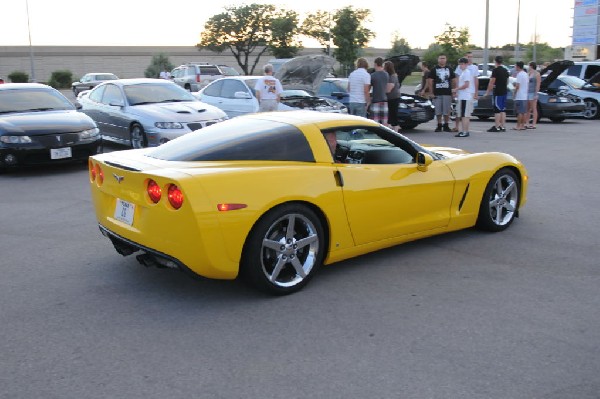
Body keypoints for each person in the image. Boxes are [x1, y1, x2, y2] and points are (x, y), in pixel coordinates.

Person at [426, 54, 456, 132]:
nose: (442, 60)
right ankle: (439, 125)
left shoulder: (449, 69)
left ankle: (446, 125)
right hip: (437, 93)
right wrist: (431, 92)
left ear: (446, 59)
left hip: (447, 93)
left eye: (444, 58)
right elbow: (430, 81)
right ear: (438, 59)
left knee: (447, 111)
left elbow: (453, 80)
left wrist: (453, 90)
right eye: (440, 58)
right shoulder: (434, 69)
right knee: (438, 110)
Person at [452, 51, 479, 132]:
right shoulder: (461, 70)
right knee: (461, 112)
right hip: (462, 94)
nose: (470, 58)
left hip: (467, 94)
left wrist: (476, 92)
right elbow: (457, 79)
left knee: (465, 114)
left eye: (471, 56)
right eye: (468, 56)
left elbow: (472, 81)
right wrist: (456, 90)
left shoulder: (472, 69)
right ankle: (459, 128)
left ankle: (465, 130)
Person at [483, 55, 510, 132]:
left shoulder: (495, 70)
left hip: (498, 92)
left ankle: (497, 126)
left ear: (495, 61)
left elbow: (492, 82)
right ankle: (502, 126)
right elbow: (507, 81)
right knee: (503, 109)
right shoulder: (505, 70)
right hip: (504, 91)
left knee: (497, 110)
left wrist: (487, 92)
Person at [452, 58, 474, 137]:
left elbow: (466, 85)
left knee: (465, 115)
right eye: (460, 64)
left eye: (462, 64)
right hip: (462, 97)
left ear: (466, 64)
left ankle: (465, 131)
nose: (460, 66)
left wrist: (456, 89)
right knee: (464, 115)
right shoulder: (463, 73)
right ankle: (464, 131)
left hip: (465, 97)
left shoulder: (467, 72)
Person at [370, 57, 392, 126]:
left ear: (376, 64)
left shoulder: (373, 75)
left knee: (375, 123)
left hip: (376, 101)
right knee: (385, 123)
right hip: (384, 100)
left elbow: (369, 88)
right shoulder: (386, 74)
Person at [384, 60, 402, 132]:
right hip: (392, 97)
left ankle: (396, 129)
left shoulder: (392, 76)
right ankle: (393, 127)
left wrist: (381, 90)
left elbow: (389, 89)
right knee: (391, 114)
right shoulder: (390, 76)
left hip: (393, 98)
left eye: (384, 66)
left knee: (393, 114)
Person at [513, 61, 529, 130]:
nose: (515, 67)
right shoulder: (526, 74)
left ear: (518, 67)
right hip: (525, 96)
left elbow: (517, 86)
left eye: (515, 66)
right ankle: (523, 125)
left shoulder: (519, 75)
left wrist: (514, 93)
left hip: (520, 96)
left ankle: (518, 126)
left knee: (519, 112)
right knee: (524, 112)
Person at [525, 61, 541, 129]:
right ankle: (527, 123)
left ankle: (534, 124)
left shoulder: (537, 74)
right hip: (527, 92)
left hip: (533, 92)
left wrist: (536, 93)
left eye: (529, 66)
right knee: (528, 108)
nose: (528, 67)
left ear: (531, 66)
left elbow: (538, 84)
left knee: (534, 108)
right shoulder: (528, 73)